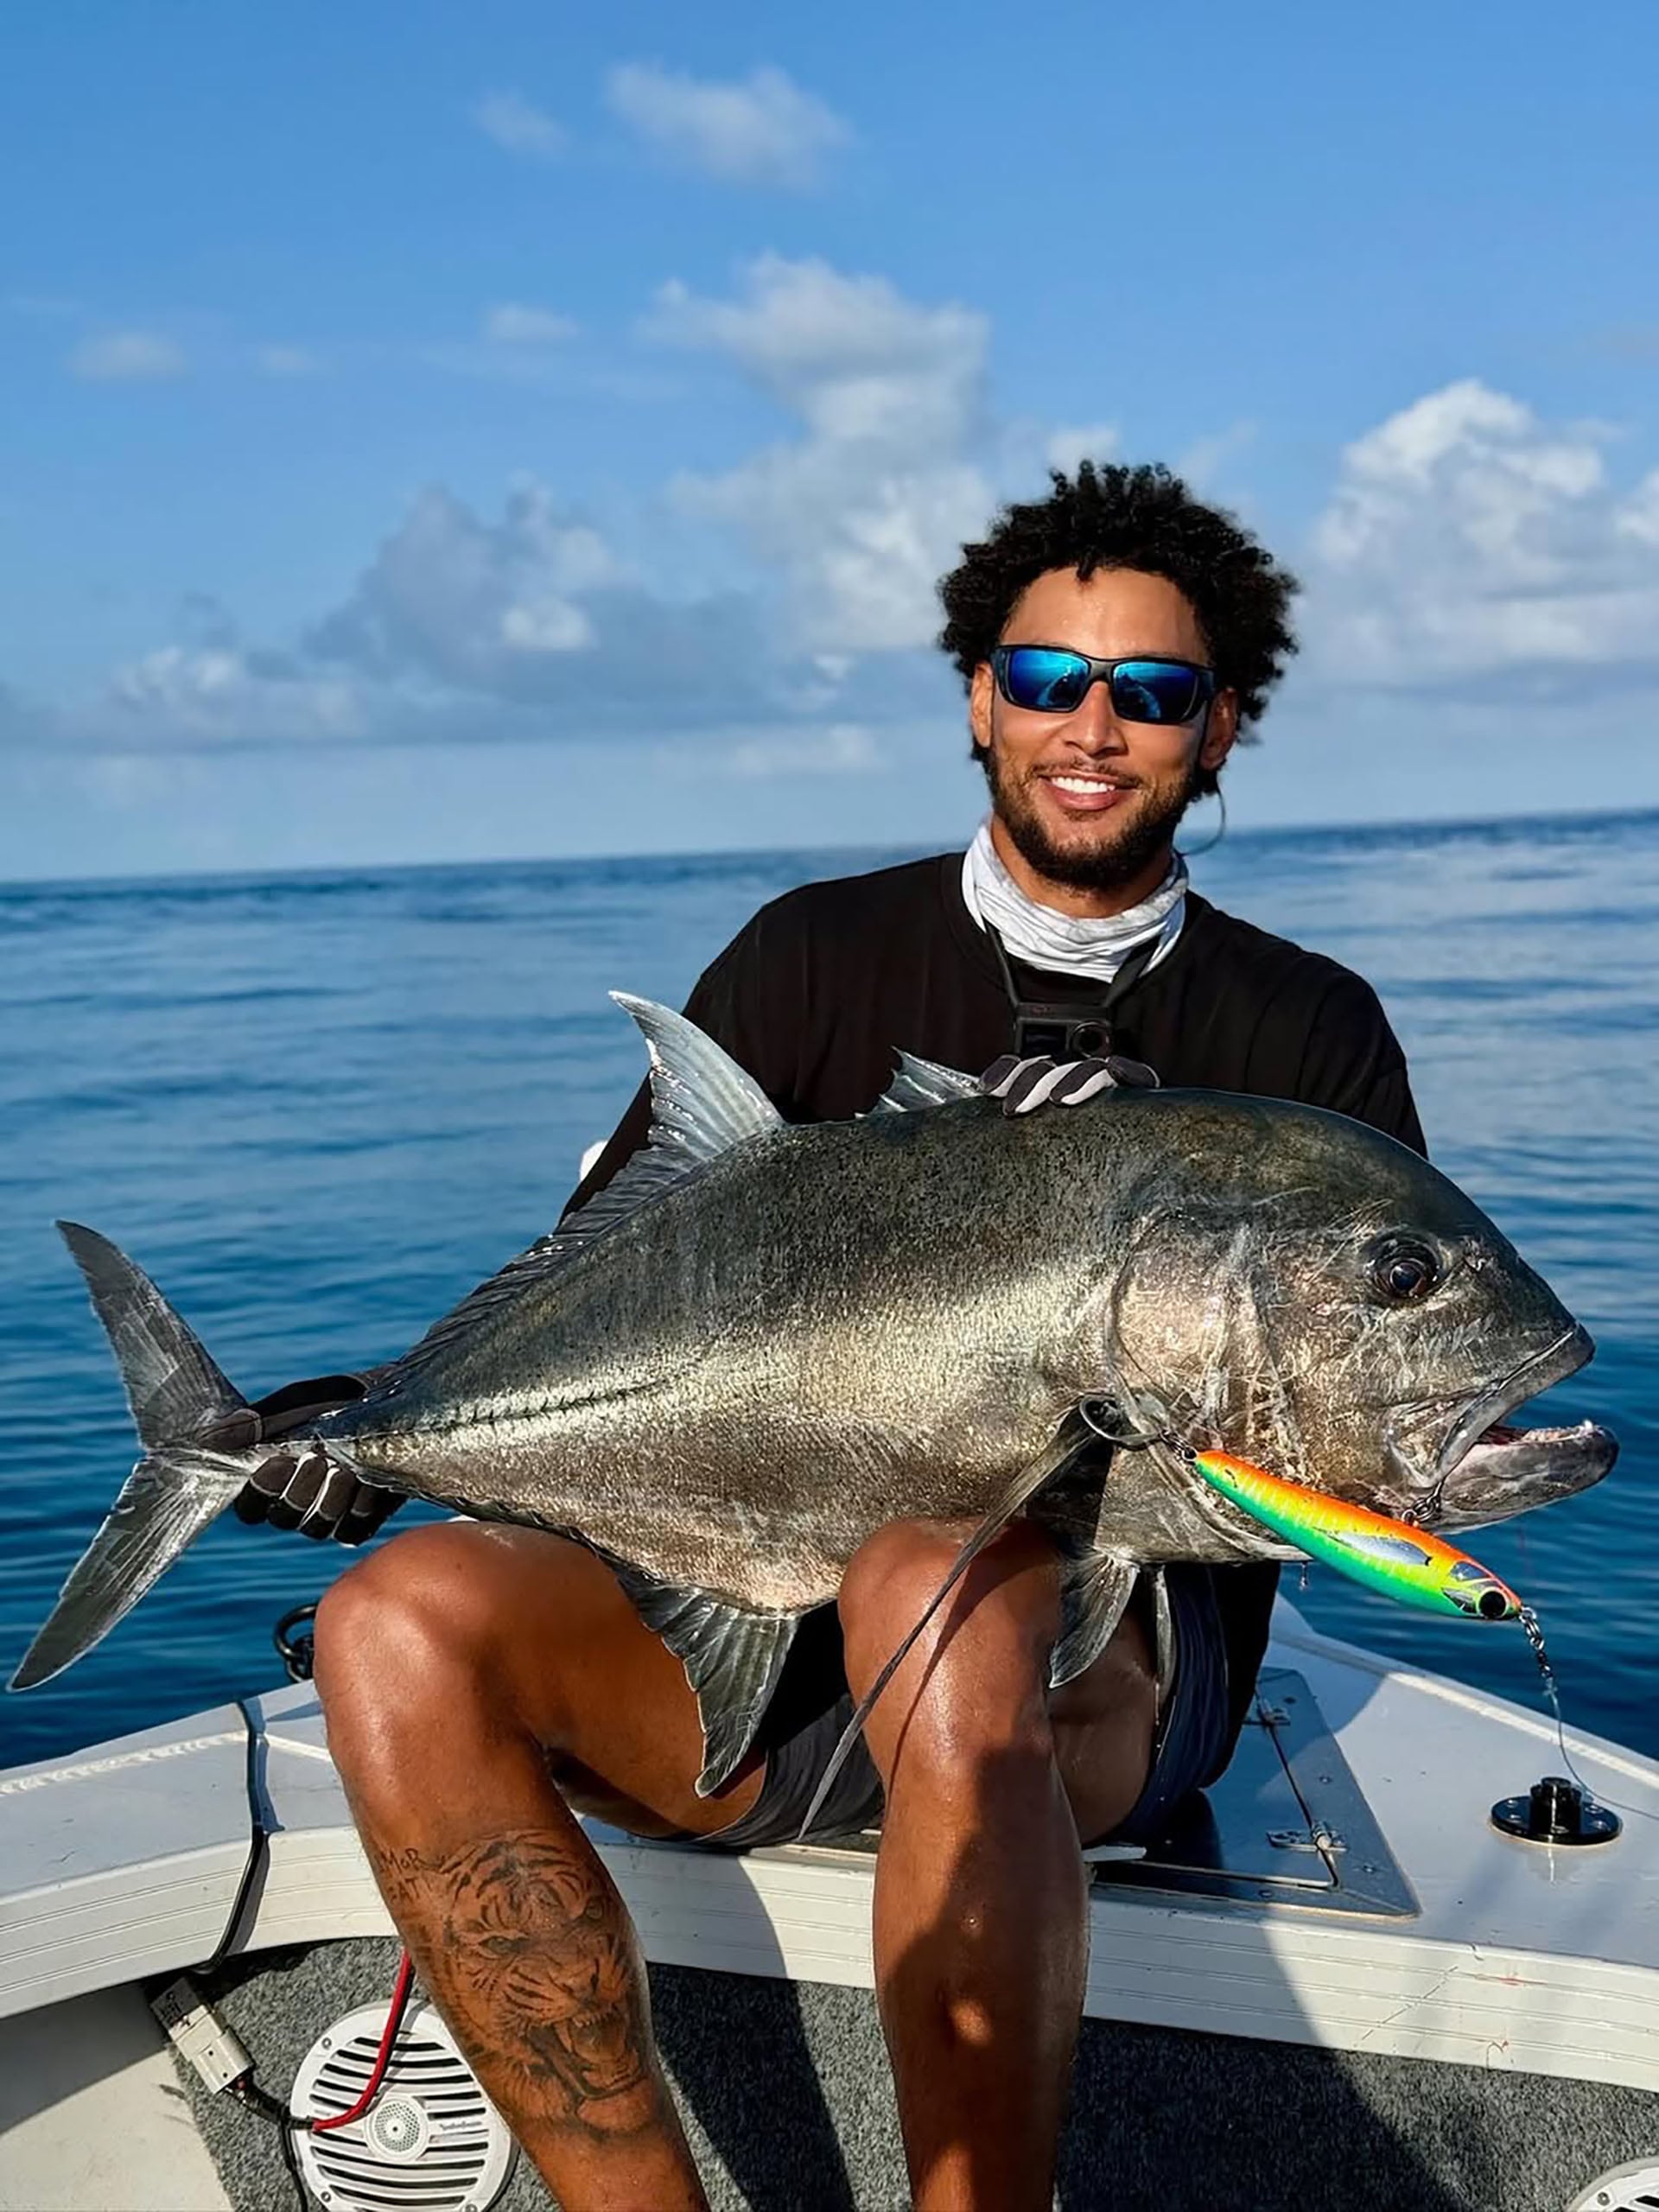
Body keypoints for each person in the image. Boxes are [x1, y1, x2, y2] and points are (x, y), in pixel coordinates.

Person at [250, 461, 1424, 2211]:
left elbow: (1371, 1448)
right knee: (395, 1625)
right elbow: (608, 1275)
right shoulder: (810, 957)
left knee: (929, 1575)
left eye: (1154, 690)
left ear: (1223, 723)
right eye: (1048, 678)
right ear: (980, 695)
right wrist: (380, 1418)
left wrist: (1144, 1213)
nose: (1094, 724)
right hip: (754, 1627)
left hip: (1098, 1680)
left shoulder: (1304, 1033)